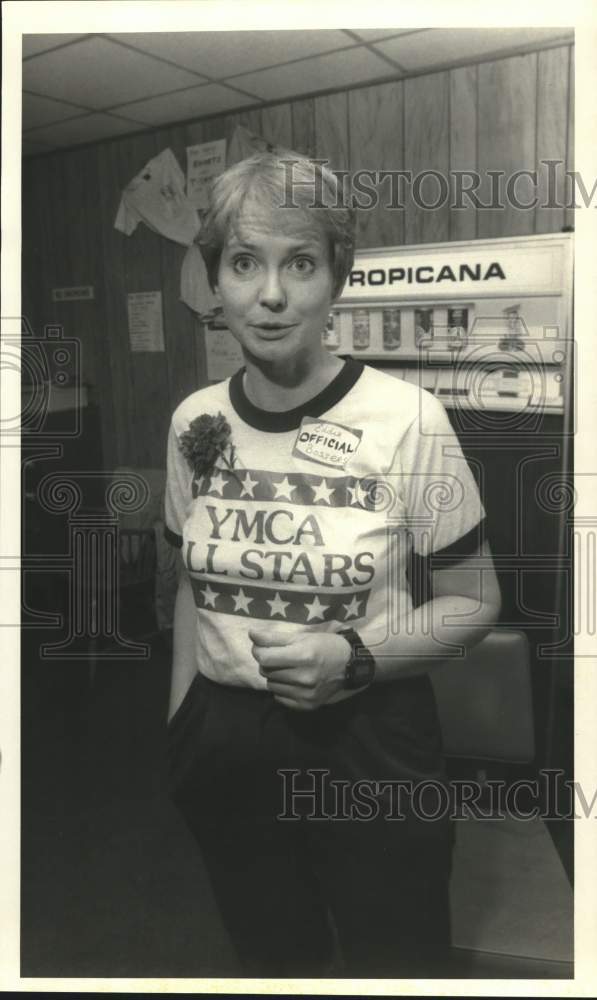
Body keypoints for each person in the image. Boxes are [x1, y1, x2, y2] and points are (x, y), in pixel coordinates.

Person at [163, 151, 501, 978]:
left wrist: (353, 657)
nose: (271, 294)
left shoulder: (406, 417)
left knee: (398, 959)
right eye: (245, 262)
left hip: (368, 740)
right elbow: (188, 586)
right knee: (273, 956)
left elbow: (473, 600)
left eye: (300, 263)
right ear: (216, 281)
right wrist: (184, 724)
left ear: (336, 279)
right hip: (226, 746)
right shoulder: (191, 420)